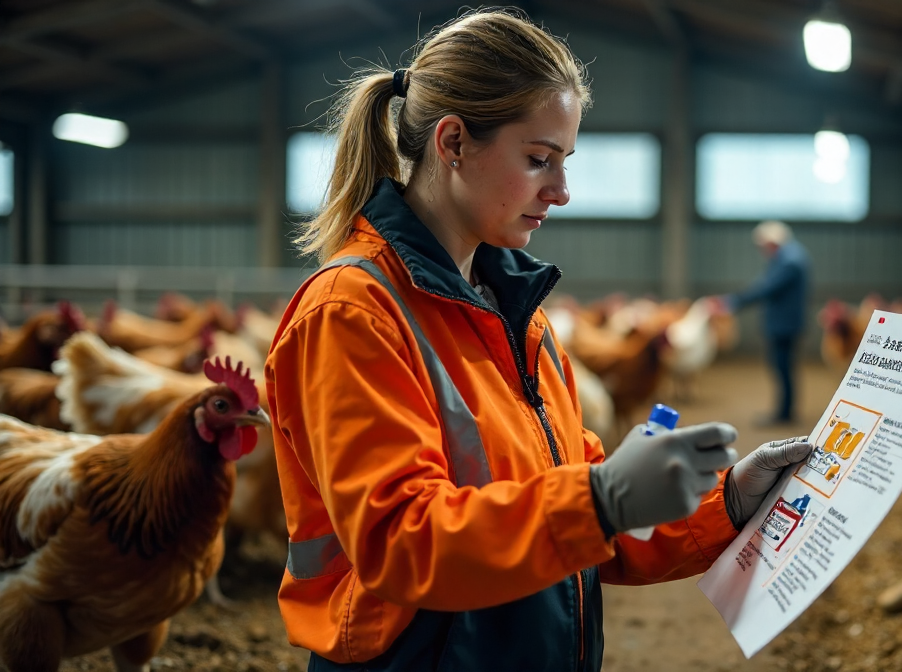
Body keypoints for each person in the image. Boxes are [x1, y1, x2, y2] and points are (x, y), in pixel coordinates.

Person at [264, 10, 813, 671]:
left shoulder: (519, 315)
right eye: (537, 160)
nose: (562, 192)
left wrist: (726, 501)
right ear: (453, 142)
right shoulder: (353, 313)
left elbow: (579, 515)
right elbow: (402, 543)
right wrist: (601, 500)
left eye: (564, 162)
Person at [719, 220, 810, 426]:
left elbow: (766, 288)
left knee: (783, 367)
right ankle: (784, 410)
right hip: (785, 323)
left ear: (771, 242)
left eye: (762, 246)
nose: (761, 250)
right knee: (782, 367)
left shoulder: (789, 261)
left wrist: (733, 301)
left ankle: (785, 413)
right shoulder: (790, 257)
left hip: (784, 325)